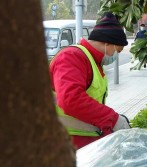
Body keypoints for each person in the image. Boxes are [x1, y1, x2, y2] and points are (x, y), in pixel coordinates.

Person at [49, 12, 131, 149]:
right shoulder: (71, 57)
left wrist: (112, 121)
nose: (115, 55)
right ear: (107, 43)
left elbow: (91, 104)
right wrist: (113, 119)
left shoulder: (93, 61)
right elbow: (71, 99)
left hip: (84, 144)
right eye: (118, 50)